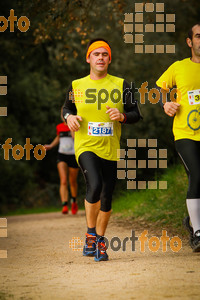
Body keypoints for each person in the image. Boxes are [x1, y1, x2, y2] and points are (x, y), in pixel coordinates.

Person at [62, 38, 142, 261]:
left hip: (111, 148)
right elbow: (66, 108)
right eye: (96, 54)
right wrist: (69, 117)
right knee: (94, 184)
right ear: (88, 58)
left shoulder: (121, 84)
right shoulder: (77, 85)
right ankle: (91, 234)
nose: (100, 58)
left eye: (104, 54)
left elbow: (136, 114)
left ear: (110, 59)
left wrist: (122, 116)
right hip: (85, 146)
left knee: (107, 198)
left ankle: (99, 240)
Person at [156, 23, 200, 252]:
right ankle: (198, 233)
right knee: (197, 174)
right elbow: (161, 89)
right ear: (190, 42)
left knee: (198, 182)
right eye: (198, 36)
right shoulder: (179, 67)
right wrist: (166, 103)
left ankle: (191, 223)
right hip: (185, 133)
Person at [44, 117, 79, 215]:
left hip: (73, 155)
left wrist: (72, 128)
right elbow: (58, 137)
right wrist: (50, 146)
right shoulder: (59, 127)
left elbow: (75, 139)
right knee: (63, 180)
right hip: (62, 155)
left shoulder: (76, 125)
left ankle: (74, 202)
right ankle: (64, 204)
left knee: (72, 181)